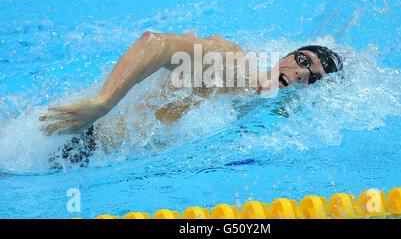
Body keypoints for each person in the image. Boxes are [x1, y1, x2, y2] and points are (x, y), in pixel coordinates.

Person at [39, 32, 342, 167]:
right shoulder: (232, 63)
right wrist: (104, 101)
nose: (302, 74)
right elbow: (156, 44)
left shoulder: (261, 107)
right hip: (75, 139)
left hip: (87, 154)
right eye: (303, 60)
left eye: (313, 77)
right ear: (287, 54)